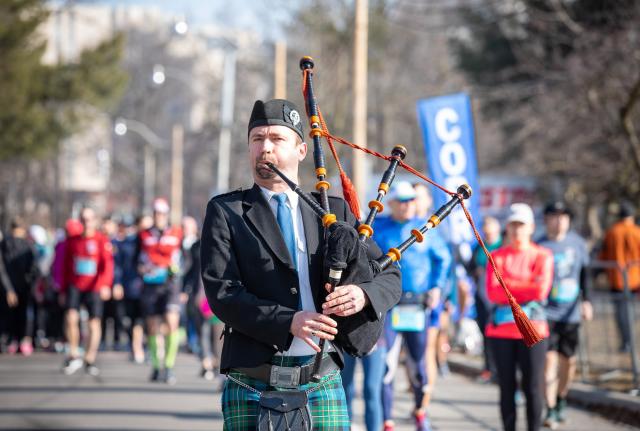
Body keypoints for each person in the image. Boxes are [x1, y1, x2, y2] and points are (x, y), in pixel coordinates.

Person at [200, 98, 401, 430]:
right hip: (252, 380)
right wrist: (288, 321)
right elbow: (222, 293)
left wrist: (363, 295)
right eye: (257, 139)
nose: (265, 148)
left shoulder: (333, 213)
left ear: (301, 151)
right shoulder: (227, 211)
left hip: (320, 379)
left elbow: (390, 274)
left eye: (277, 139)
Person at [376, 181, 452, 431]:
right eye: (402, 201)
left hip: (418, 306)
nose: (407, 205)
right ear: (392, 203)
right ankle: (387, 420)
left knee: (418, 363)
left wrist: (436, 288)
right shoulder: (380, 227)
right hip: (390, 306)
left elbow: (444, 259)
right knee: (386, 364)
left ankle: (420, 411)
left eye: (411, 200)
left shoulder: (426, 228)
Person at [486, 203, 553, 431]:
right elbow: (494, 292)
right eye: (513, 224)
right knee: (506, 386)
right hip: (501, 330)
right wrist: (526, 286)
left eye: (521, 224)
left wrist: (508, 286)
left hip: (534, 330)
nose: (516, 230)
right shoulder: (496, 256)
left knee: (533, 386)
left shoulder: (542, 255)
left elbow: (541, 290)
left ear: (531, 227)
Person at [538, 201, 592, 429]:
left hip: (570, 312)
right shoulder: (539, 244)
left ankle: (561, 399)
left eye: (564, 216)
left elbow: (585, 274)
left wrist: (587, 300)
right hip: (545, 310)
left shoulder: (578, 244)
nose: (560, 221)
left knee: (568, 362)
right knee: (549, 360)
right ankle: (549, 408)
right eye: (555, 216)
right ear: (547, 219)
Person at [61, 207, 114, 375]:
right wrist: (63, 288)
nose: (86, 223)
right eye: (83, 219)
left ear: (95, 221)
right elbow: (66, 266)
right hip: (76, 285)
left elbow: (107, 265)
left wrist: (105, 285)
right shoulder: (73, 241)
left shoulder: (101, 240)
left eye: (90, 219)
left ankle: (90, 358)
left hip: (94, 287)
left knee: (94, 323)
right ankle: (74, 353)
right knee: (71, 318)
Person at [137, 197, 183, 384]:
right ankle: (156, 366)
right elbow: (136, 260)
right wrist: (141, 269)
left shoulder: (176, 233)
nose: (159, 216)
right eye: (156, 213)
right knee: (152, 326)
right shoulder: (144, 235)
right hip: (150, 285)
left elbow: (185, 259)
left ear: (167, 214)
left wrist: (178, 270)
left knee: (172, 322)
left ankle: (169, 366)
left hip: (170, 285)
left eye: (163, 213)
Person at [599, 201, 640, 353]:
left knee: (621, 313)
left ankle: (626, 342)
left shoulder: (611, 232)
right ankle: (628, 343)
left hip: (617, 280)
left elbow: (603, 256)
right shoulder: (637, 232)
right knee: (628, 312)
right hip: (636, 279)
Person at [469, 216, 502, 383]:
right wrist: (476, 271)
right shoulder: (479, 247)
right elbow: (471, 266)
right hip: (482, 297)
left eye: (491, 230)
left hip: (500, 300)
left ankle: (502, 370)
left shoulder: (503, 246)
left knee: (500, 335)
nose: (488, 233)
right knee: (486, 333)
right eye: (485, 230)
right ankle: (489, 369)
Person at [0, 218, 39, 355]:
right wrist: (30, 284)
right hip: (24, 287)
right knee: (23, 315)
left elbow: (1, 269)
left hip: (6, 288)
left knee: (7, 316)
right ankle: (22, 340)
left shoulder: (4, 244)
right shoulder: (28, 245)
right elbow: (35, 269)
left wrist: (9, 289)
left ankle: (10, 340)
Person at [112, 215, 144, 363]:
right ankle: (135, 346)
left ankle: (138, 348)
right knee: (128, 319)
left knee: (141, 319)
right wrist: (117, 283)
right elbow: (117, 265)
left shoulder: (147, 243)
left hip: (146, 287)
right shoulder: (124, 244)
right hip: (129, 285)